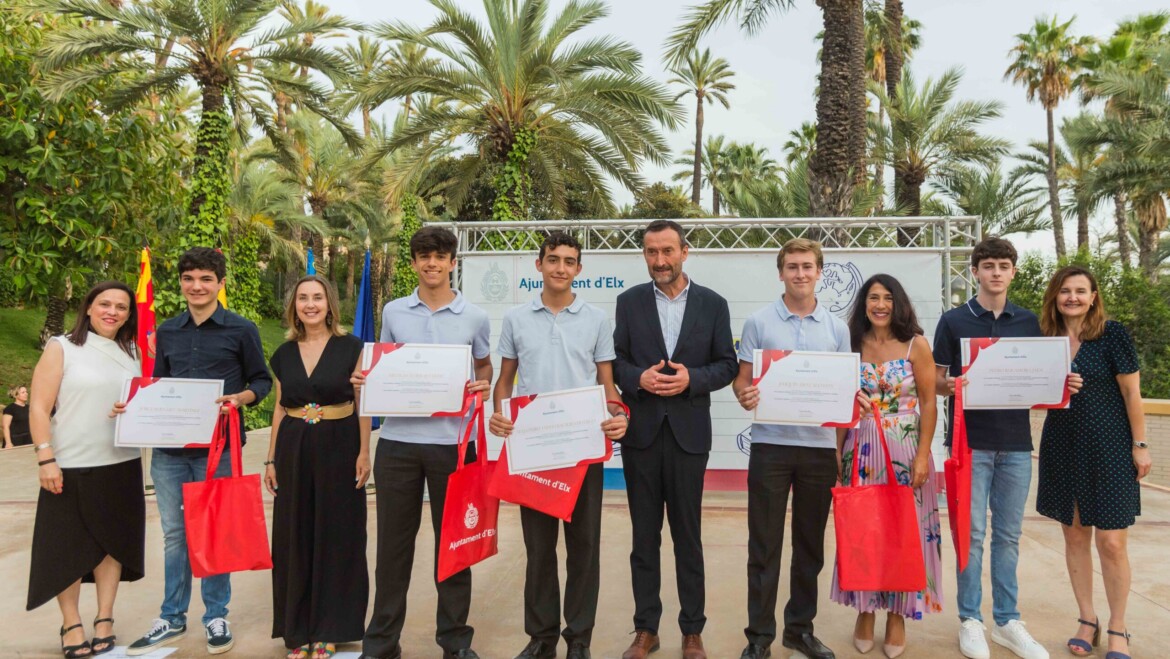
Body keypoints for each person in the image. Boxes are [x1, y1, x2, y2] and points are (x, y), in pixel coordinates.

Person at [933, 236, 1080, 659]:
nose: (996, 272)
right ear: (975, 272)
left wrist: (1061, 384)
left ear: (1013, 272)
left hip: (1016, 444)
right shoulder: (953, 321)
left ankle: (1006, 620)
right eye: (988, 265)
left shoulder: (1029, 322)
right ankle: (970, 620)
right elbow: (938, 380)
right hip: (969, 444)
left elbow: (1037, 381)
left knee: (1009, 535)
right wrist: (954, 384)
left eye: (1003, 265)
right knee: (972, 534)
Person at [124, 247, 272, 657]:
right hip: (170, 451)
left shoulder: (242, 329)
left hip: (219, 449)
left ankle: (216, 615)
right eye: (189, 279)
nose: (197, 286)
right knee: (175, 535)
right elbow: (160, 386)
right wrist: (134, 405)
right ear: (181, 284)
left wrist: (240, 398)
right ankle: (171, 617)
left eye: (206, 279)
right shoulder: (168, 331)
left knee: (216, 531)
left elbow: (262, 381)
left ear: (220, 284)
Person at [487, 232, 629, 659]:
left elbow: (607, 383)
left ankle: (579, 640)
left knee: (584, 549)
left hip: (582, 450)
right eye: (553, 260)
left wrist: (619, 414)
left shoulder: (596, 320)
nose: (561, 268)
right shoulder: (516, 319)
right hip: (533, 450)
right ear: (539, 265)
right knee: (538, 550)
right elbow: (506, 381)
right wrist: (499, 414)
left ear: (579, 270)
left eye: (569, 261)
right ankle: (541, 638)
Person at [356, 226, 492, 659]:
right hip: (397, 443)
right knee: (393, 549)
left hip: (454, 445)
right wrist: (367, 378)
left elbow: (484, 366)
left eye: (440, 256)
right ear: (414, 262)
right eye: (423, 256)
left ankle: (454, 642)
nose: (431, 263)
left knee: (454, 545)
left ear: (454, 263)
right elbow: (384, 367)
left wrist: (482, 386)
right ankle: (381, 643)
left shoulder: (475, 317)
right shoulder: (394, 311)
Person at [613, 220, 737, 659]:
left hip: (689, 435)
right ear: (644, 255)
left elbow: (727, 364)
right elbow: (617, 363)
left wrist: (692, 379)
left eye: (667, 251)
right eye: (651, 252)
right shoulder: (627, 303)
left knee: (689, 536)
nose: (660, 261)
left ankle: (692, 630)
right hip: (641, 436)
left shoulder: (712, 304)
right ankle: (646, 628)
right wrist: (638, 379)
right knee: (643, 538)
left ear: (685, 251)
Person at [731, 239, 851, 659]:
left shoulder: (837, 328)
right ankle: (759, 637)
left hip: (818, 451)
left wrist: (838, 451)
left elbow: (842, 393)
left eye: (807, 266)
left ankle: (799, 630)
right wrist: (745, 394)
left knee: (810, 546)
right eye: (792, 267)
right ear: (780, 272)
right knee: (763, 546)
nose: (800, 274)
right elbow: (743, 380)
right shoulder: (759, 322)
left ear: (819, 271)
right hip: (771, 448)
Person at [1035, 266, 1150, 659]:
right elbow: (1032, 391)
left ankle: (1118, 627)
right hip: (1063, 445)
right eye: (1065, 291)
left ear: (1094, 296)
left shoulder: (1112, 334)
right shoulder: (1045, 339)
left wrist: (1140, 444)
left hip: (1111, 446)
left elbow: (1132, 394)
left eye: (1080, 291)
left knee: (1113, 542)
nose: (1072, 297)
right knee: (1075, 535)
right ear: (1055, 297)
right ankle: (1087, 619)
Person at [26, 281, 144, 658]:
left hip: (121, 463)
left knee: (112, 547)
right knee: (67, 549)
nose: (113, 311)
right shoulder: (61, 346)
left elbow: (129, 402)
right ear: (89, 307)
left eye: (121, 307)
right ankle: (72, 623)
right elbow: (39, 407)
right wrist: (46, 457)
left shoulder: (131, 351)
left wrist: (124, 411)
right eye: (105, 304)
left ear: (129, 314)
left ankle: (104, 619)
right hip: (71, 464)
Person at [828, 274, 941, 659]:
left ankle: (898, 614)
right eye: (873, 298)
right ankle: (864, 610)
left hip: (906, 449)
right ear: (863, 304)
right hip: (859, 449)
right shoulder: (850, 345)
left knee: (903, 533)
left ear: (898, 304)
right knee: (863, 532)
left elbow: (929, 403)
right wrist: (836, 456)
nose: (880, 305)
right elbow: (839, 406)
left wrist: (923, 455)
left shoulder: (916, 345)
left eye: (888, 298)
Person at [264, 275, 372, 659]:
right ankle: (299, 630)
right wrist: (271, 458)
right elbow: (279, 407)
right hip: (293, 449)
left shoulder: (351, 347)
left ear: (330, 305)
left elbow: (363, 402)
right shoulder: (284, 353)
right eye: (303, 298)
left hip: (340, 446)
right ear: (294, 306)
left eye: (318, 298)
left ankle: (330, 628)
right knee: (295, 535)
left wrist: (364, 451)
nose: (310, 305)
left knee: (338, 534)